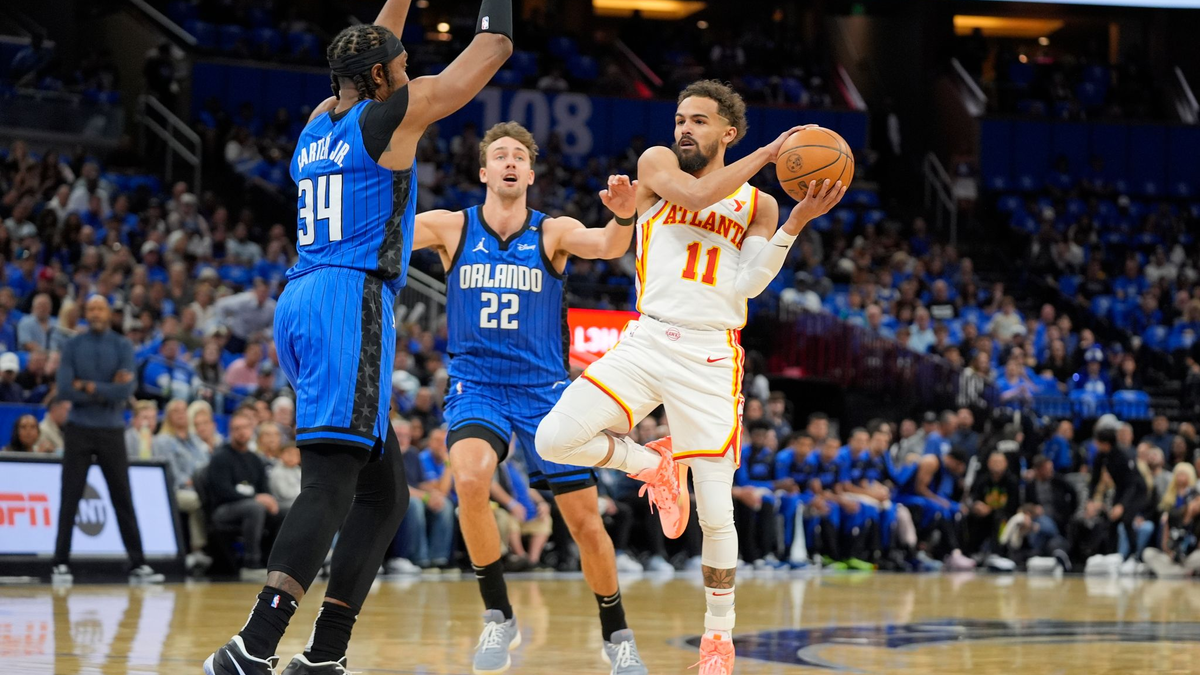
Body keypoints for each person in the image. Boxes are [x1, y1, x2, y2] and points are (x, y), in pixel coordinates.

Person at [204, 0, 515, 672]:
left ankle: (324, 655)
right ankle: (252, 646)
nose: (410, 72)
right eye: (401, 66)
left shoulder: (321, 119)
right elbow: (490, 53)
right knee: (330, 484)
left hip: (303, 298)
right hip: (351, 299)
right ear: (379, 77)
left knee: (384, 494)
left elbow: (375, 48)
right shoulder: (391, 114)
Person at [535, 79, 845, 673]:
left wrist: (797, 219)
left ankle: (718, 639)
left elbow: (749, 283)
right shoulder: (656, 165)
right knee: (555, 439)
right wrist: (768, 153)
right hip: (649, 335)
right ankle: (654, 466)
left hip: (711, 353)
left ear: (727, 132)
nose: (684, 129)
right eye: (681, 118)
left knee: (716, 511)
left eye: (699, 121)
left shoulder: (760, 204)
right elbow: (698, 197)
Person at [411, 119, 647, 674]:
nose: (510, 161)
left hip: (544, 393)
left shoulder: (554, 231)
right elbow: (386, 228)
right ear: (484, 170)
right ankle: (499, 617)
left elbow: (611, 244)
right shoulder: (451, 228)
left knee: (586, 523)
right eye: (501, 154)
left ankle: (617, 634)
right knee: (469, 478)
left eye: (519, 155)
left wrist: (624, 212)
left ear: (531, 173)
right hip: (478, 387)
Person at [50, 295, 163, 584]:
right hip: (79, 428)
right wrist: (107, 387)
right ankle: (60, 563)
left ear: (108, 313)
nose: (96, 313)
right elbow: (64, 389)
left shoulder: (122, 345)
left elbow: (126, 391)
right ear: (85, 314)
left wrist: (86, 385)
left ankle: (138, 564)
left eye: (100, 308)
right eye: (91, 309)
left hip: (112, 430)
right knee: (70, 496)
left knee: (122, 496)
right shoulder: (73, 345)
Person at [205, 410, 281, 578]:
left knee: (285, 510)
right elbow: (223, 491)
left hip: (251, 505)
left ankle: (274, 563)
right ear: (231, 431)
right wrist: (256, 498)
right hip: (223, 509)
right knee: (254, 508)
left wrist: (270, 499)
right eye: (237, 428)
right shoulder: (220, 457)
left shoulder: (254, 459)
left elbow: (264, 488)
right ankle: (251, 564)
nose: (242, 432)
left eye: (245, 428)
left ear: (251, 430)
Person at [151, 398, 212, 573]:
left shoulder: (195, 439)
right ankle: (197, 549)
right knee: (195, 500)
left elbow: (206, 462)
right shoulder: (162, 440)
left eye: (183, 410)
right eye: (175, 411)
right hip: (175, 491)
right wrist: (193, 480)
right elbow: (170, 473)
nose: (181, 414)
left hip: (200, 486)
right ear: (168, 416)